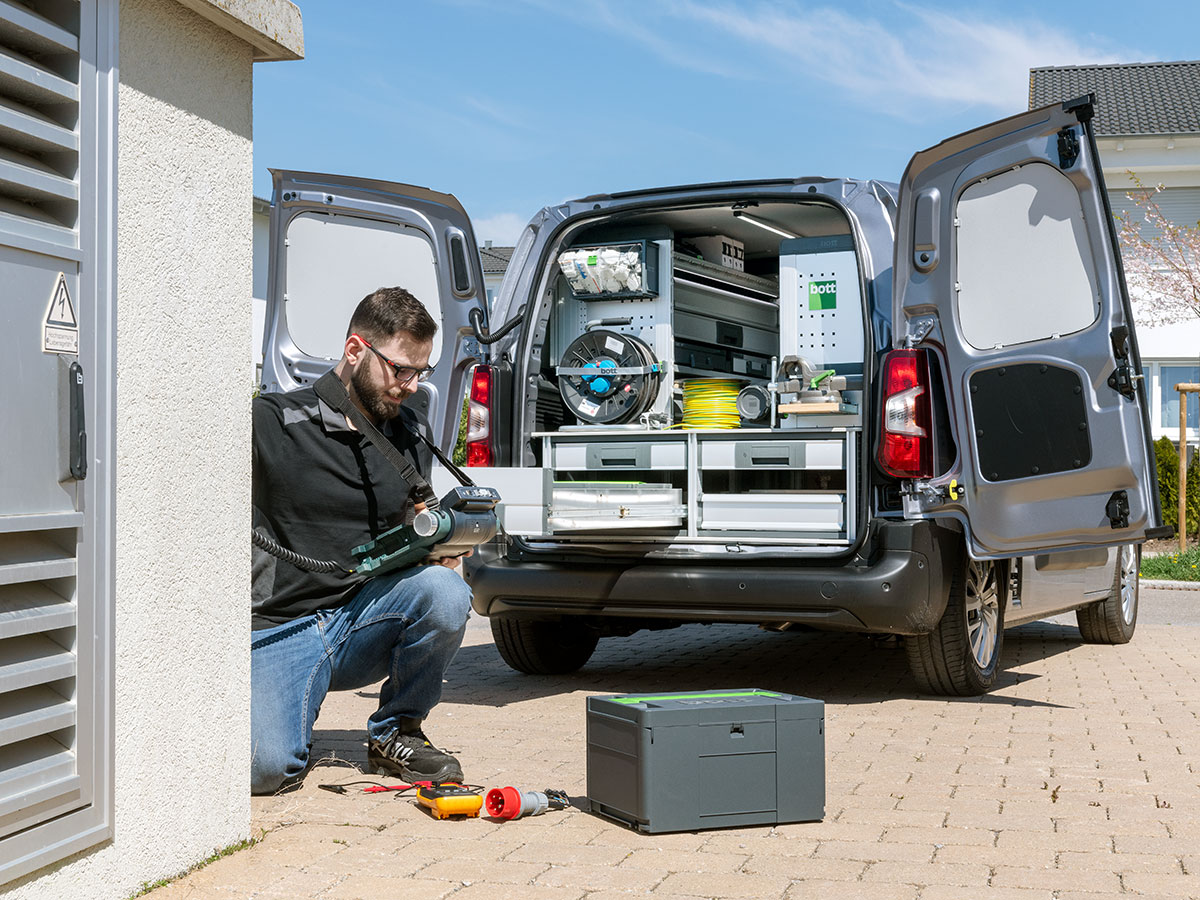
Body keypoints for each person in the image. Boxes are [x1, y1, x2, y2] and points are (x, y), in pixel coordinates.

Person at [250, 286, 471, 795]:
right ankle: (281, 709)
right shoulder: (272, 422)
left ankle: (396, 732)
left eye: (422, 372)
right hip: (281, 626)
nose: (412, 386)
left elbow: (418, 521)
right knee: (265, 771)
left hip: (362, 621)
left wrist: (443, 548)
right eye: (401, 370)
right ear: (355, 351)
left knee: (445, 592)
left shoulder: (406, 431)